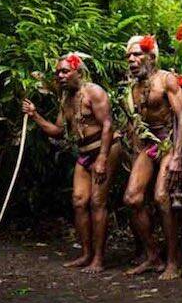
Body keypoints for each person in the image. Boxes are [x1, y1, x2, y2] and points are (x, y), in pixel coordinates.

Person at [22, 53, 121, 273]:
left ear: (79, 71)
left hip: (106, 149)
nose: (60, 76)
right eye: (58, 72)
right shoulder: (66, 99)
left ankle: (98, 259)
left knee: (97, 202)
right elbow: (58, 132)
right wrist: (35, 115)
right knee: (78, 201)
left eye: (65, 71)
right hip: (84, 154)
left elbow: (107, 125)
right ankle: (86, 254)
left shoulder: (94, 92)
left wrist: (103, 158)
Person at [122, 35, 182, 280]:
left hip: (170, 142)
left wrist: (178, 156)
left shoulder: (166, 79)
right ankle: (153, 256)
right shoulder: (134, 87)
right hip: (147, 145)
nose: (131, 59)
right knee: (132, 198)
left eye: (137, 54)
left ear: (151, 56)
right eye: (128, 56)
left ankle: (173, 261)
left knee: (162, 197)